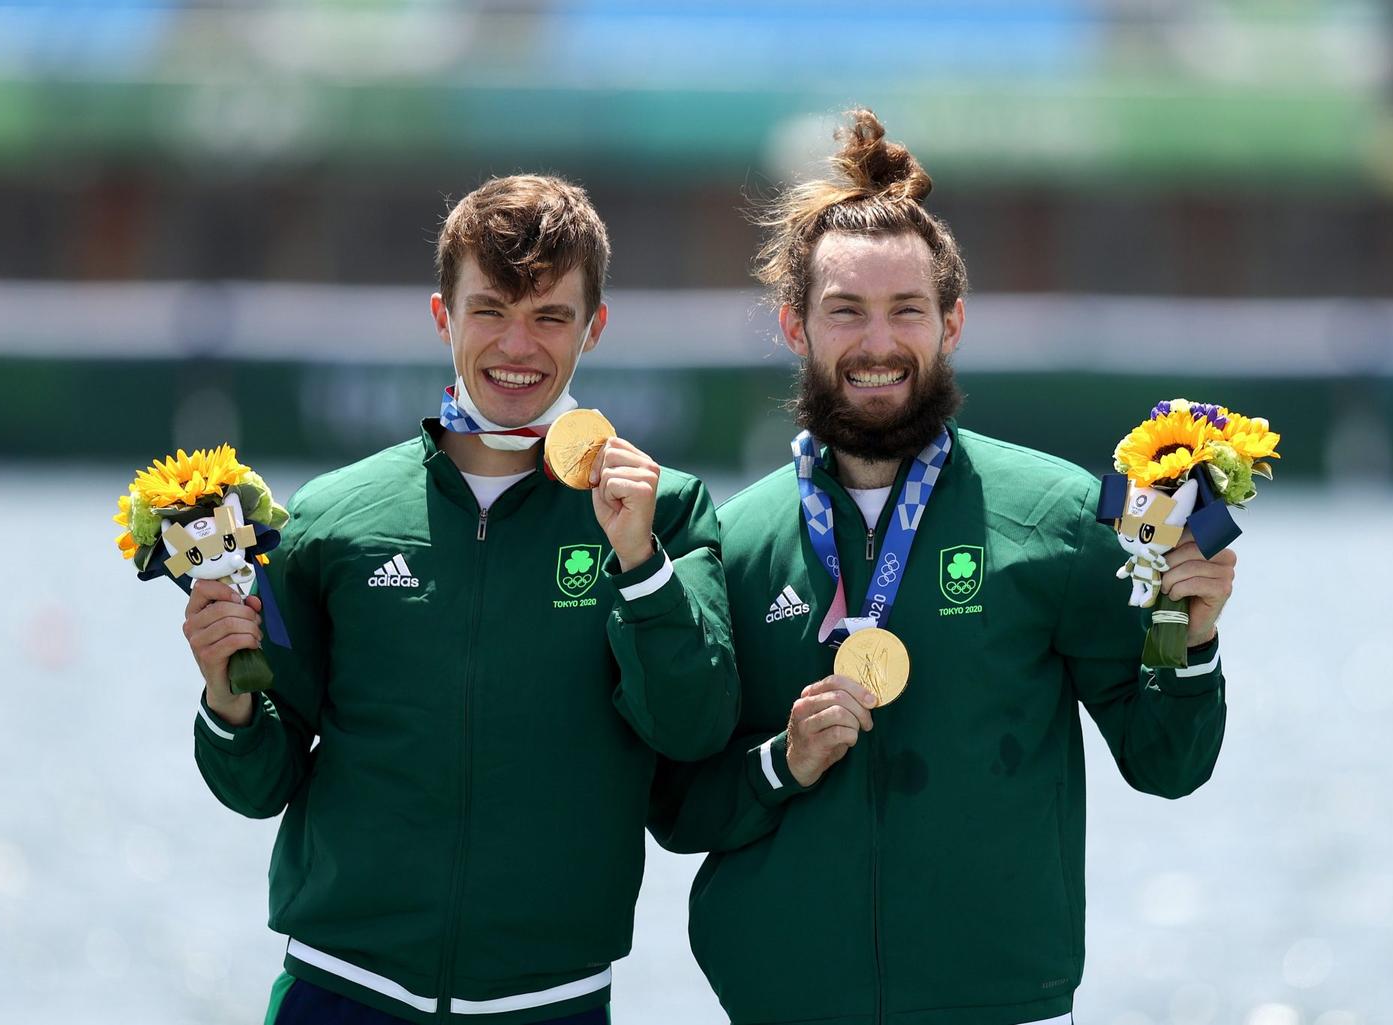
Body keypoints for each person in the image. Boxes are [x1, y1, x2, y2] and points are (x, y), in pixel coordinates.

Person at [651, 111, 1235, 1025]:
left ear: (952, 321)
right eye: (845, 310)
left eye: (906, 310)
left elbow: (1168, 763)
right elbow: (679, 806)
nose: (876, 343)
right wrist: (783, 763)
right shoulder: (734, 542)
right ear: (794, 324)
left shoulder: (1058, 513)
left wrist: (1189, 641)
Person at [182, 174, 739, 1024]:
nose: (518, 344)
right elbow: (263, 780)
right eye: (489, 310)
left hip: (550, 999)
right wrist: (227, 694)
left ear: (595, 326)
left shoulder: (666, 510)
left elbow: (693, 727)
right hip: (339, 989)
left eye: (551, 315)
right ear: (443, 314)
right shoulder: (332, 517)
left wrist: (639, 562)